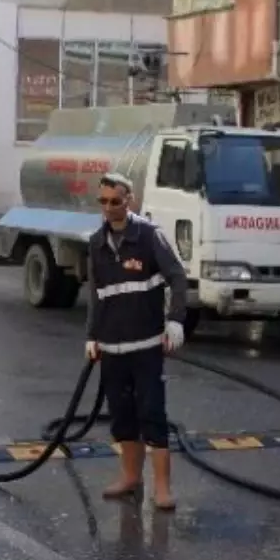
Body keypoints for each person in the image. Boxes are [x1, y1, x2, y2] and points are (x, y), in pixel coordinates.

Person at [85, 172, 187, 511]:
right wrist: (91, 336)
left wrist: (175, 320)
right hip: (112, 349)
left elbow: (177, 276)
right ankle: (130, 477)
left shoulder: (148, 236)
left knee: (152, 415)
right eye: (103, 202)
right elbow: (96, 294)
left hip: (146, 347)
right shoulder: (97, 242)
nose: (108, 208)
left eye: (115, 201)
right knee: (122, 416)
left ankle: (162, 487)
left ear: (129, 200)